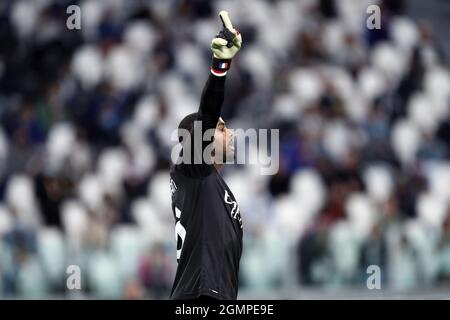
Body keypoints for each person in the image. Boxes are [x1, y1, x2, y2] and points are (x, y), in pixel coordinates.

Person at [169, 10, 243, 300]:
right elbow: (207, 114)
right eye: (222, 128)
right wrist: (220, 66)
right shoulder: (192, 170)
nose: (231, 132)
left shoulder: (208, 183)